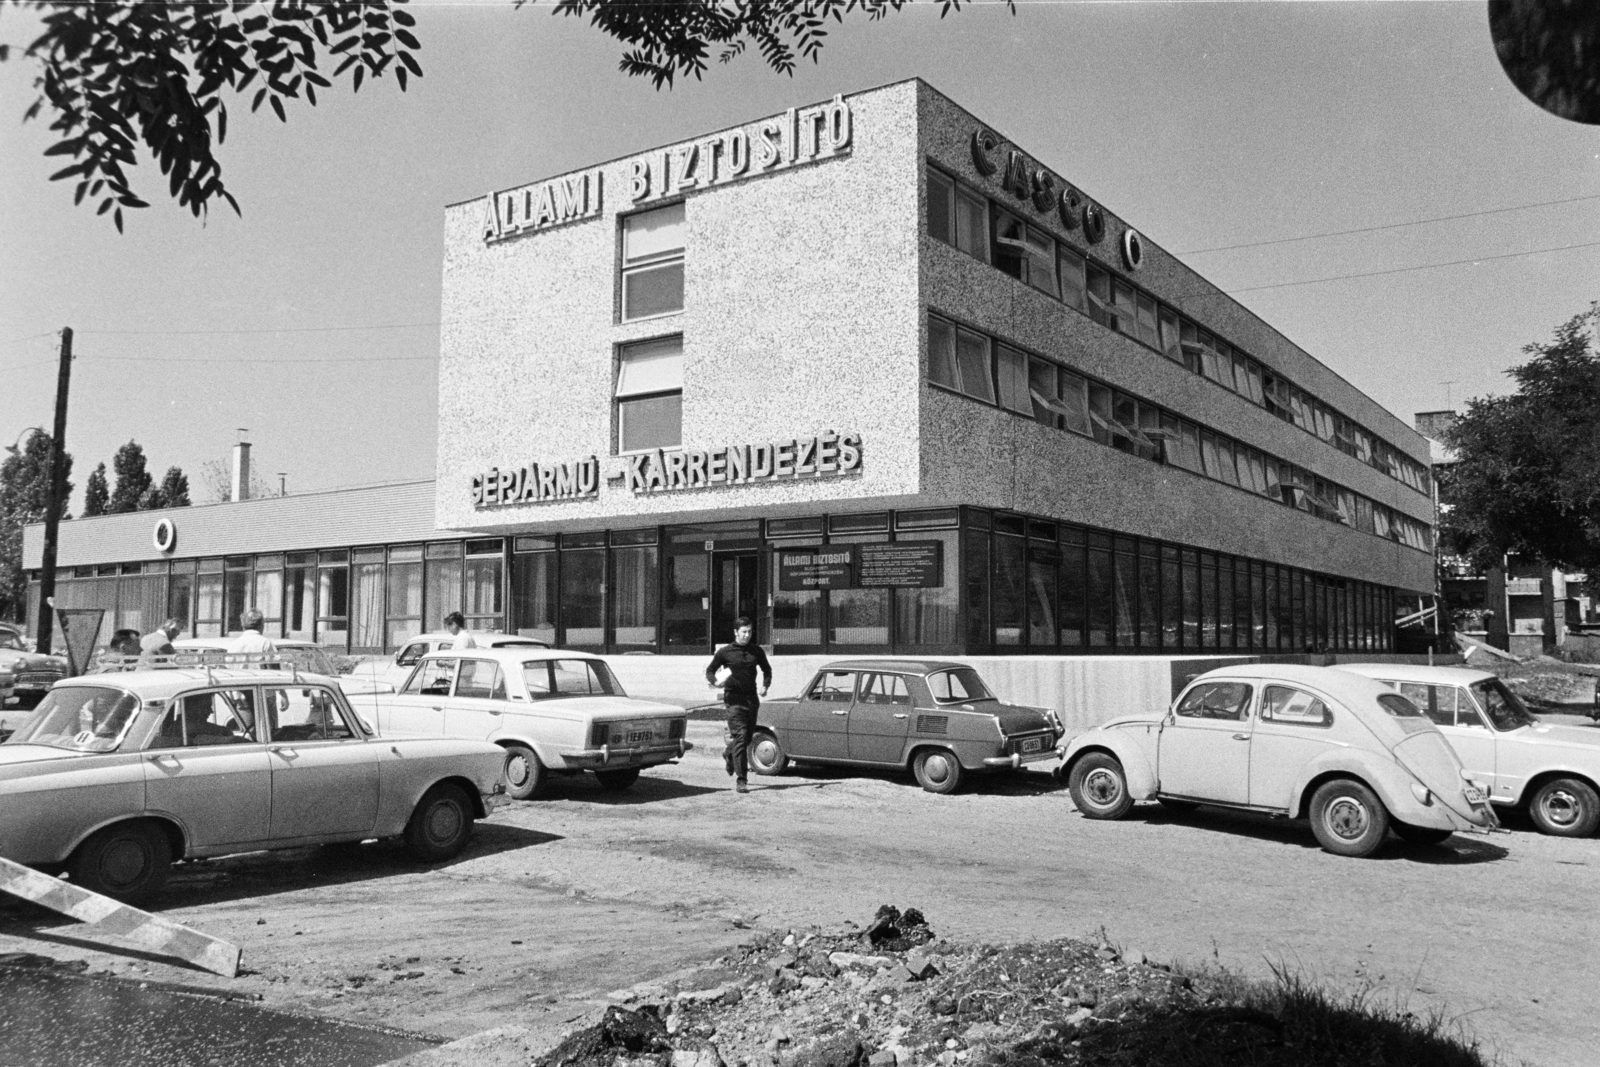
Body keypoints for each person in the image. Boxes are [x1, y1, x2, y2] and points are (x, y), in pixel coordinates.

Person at [704, 616, 771, 794]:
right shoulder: (725, 652)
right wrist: (715, 682)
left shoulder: (756, 651)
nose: (747, 635)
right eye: (743, 632)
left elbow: (767, 670)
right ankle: (742, 780)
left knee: (747, 737)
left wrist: (765, 685)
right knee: (741, 736)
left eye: (749, 632)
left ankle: (729, 753)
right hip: (734, 700)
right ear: (736, 632)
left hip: (751, 700)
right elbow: (710, 670)